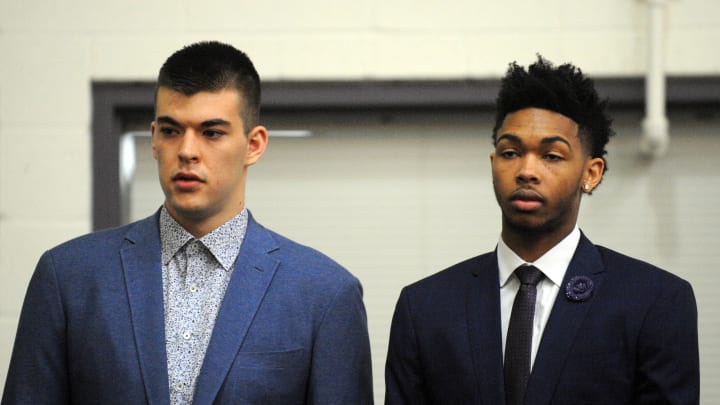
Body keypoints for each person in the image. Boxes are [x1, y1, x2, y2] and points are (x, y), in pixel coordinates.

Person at [3, 41, 373, 405]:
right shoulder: (69, 276)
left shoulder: (324, 293)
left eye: (211, 132)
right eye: (170, 130)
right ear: (153, 139)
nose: (186, 151)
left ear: (254, 144)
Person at [385, 56, 699, 404]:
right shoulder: (426, 306)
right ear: (493, 164)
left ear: (591, 174)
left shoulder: (654, 301)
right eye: (510, 152)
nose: (526, 171)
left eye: (551, 156)